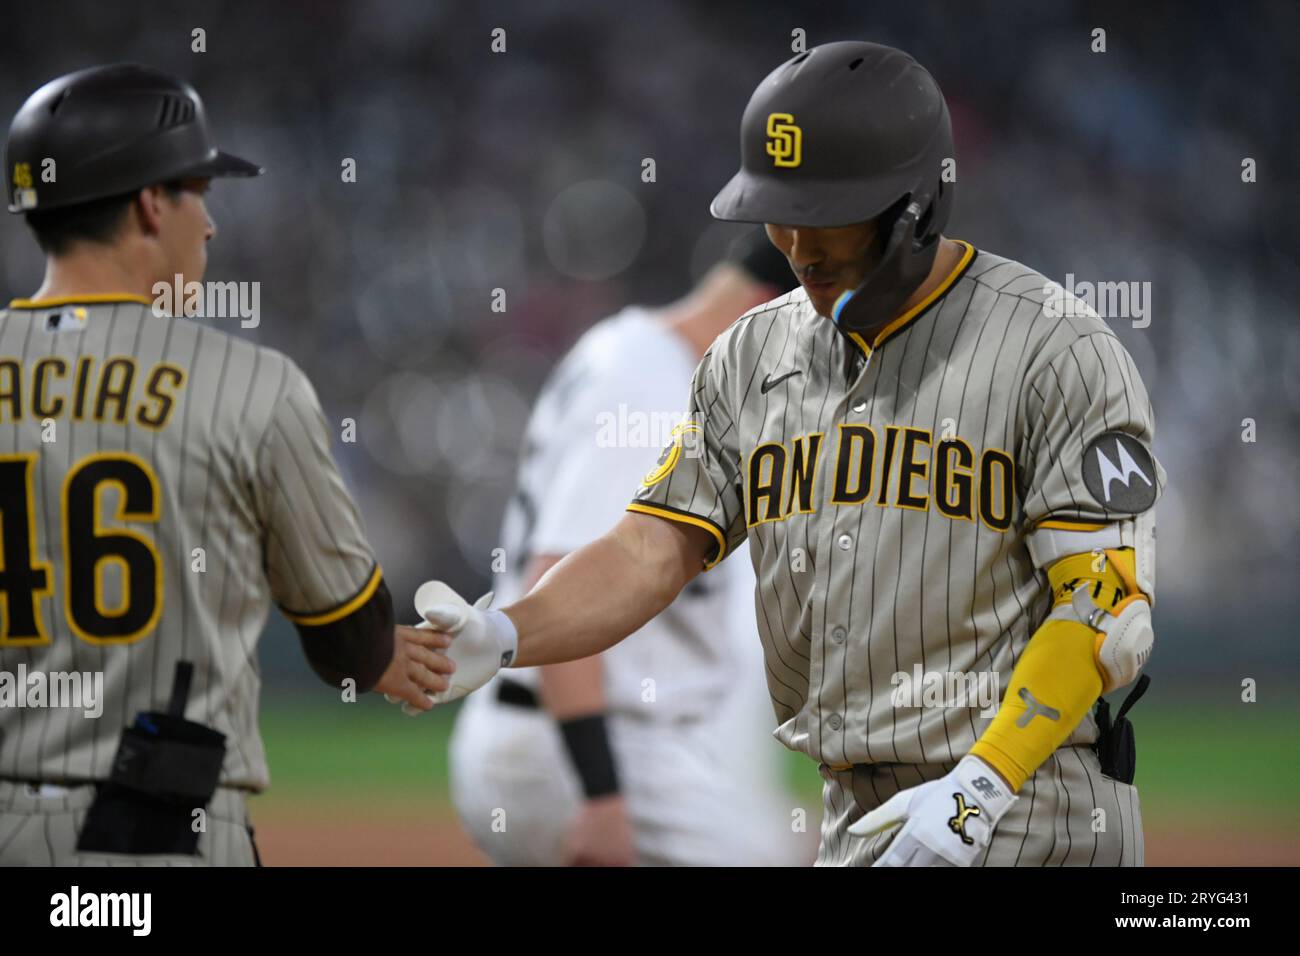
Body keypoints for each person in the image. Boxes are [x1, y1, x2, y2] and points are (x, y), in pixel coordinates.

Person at [401, 41, 1164, 867]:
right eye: (778, 209)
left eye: (826, 211)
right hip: (855, 811)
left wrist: (980, 789)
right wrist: (510, 631)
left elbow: (1103, 608)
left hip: (1029, 809)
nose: (798, 243)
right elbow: (651, 546)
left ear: (917, 207)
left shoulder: (1058, 351)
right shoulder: (749, 356)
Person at [0, 64, 450, 866]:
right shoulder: (251, 384)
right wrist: (386, 657)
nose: (208, 225)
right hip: (158, 832)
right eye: (198, 192)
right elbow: (349, 637)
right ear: (149, 204)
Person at [443, 231, 808, 866]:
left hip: (604, 739)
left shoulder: (638, 353)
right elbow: (555, 578)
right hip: (585, 745)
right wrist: (601, 796)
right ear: (769, 306)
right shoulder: (653, 379)